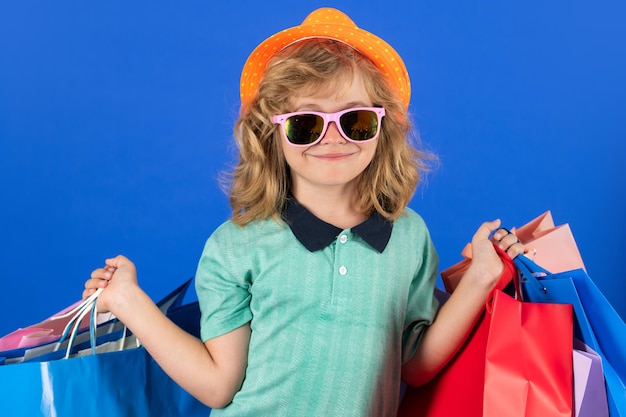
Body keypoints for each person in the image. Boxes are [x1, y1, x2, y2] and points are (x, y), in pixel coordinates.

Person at [83, 7, 525, 416]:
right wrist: (127, 301)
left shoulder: (409, 237)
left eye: (355, 121)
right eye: (306, 124)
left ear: (382, 126)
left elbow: (416, 365)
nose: (332, 138)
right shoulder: (236, 245)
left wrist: (482, 276)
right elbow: (218, 385)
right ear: (271, 134)